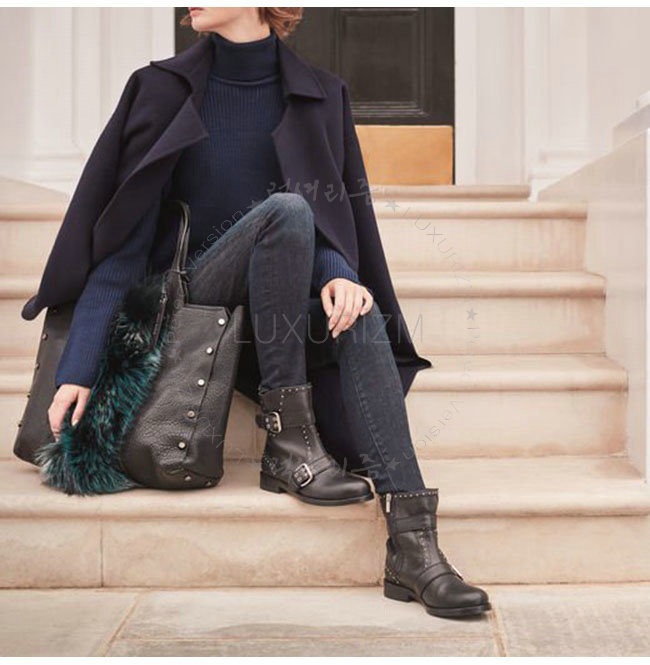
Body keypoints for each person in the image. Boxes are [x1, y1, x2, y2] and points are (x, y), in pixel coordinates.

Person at [39, 7, 490, 618]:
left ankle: (415, 550)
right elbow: (122, 247)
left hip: (271, 325)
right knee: (288, 210)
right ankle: (289, 439)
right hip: (192, 308)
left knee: (358, 311)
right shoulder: (159, 89)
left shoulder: (322, 94)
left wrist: (339, 275)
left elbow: (337, 212)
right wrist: (80, 365)